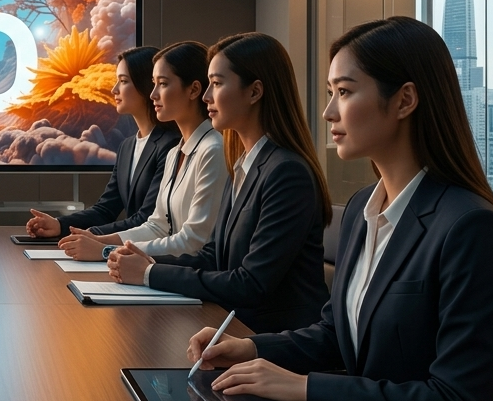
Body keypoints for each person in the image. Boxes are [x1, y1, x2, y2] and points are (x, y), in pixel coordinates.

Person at [187, 16, 493, 401]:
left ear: (404, 100)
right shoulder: (364, 207)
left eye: (343, 92)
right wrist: (251, 348)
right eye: (331, 93)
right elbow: (336, 335)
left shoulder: (470, 227)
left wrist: (305, 387)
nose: (328, 113)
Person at [108, 32, 330, 334]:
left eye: (217, 83)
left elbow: (251, 283)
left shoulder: (286, 172)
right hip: (235, 326)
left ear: (254, 92)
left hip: (270, 339)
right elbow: (213, 256)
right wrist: (149, 263)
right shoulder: (242, 163)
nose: (206, 97)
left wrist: (149, 273)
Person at [59, 41, 226, 260]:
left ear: (194, 90)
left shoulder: (213, 149)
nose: (153, 94)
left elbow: (194, 241)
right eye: (154, 84)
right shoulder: (175, 153)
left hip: (186, 272)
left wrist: (105, 251)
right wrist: (99, 240)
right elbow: (157, 227)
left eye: (163, 84)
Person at [25, 46, 178, 243]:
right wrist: (59, 225)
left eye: (123, 81)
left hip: (152, 252)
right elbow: (105, 209)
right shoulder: (127, 146)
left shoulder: (171, 144)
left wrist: (90, 236)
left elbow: (147, 219)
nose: (114, 89)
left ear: (146, 85)